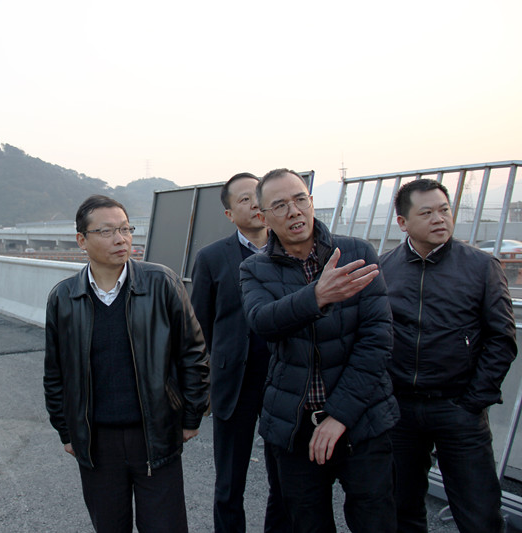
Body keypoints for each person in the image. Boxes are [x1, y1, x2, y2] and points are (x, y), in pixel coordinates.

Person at [239, 168, 399, 533]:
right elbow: (262, 322)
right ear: (263, 217)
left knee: (376, 520)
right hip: (294, 426)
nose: (294, 211)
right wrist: (317, 296)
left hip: (362, 420)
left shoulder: (356, 252)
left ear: (311, 202)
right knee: (306, 522)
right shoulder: (254, 269)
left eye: (300, 199)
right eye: (280, 205)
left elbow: (377, 340)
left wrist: (339, 416)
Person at [43, 194, 210, 532]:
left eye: (125, 229)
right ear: (81, 240)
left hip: (154, 432)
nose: (120, 239)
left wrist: (192, 415)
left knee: (165, 526)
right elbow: (56, 374)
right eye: (106, 231)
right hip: (97, 441)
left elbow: (193, 353)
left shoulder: (161, 283)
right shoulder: (64, 298)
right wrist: (66, 430)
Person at [380, 179, 516, 533]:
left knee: (479, 514)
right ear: (403, 222)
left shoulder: (481, 266)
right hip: (400, 410)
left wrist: (474, 400)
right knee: (400, 509)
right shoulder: (384, 268)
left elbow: (501, 339)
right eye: (427, 213)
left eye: (444, 210)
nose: (439, 219)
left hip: (458, 407)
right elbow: (373, 337)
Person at [190, 172, 288, 532]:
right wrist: (201, 385)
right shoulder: (212, 257)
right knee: (230, 483)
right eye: (244, 199)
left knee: (285, 480)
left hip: (284, 379)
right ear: (230, 214)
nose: (255, 204)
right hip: (234, 381)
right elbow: (198, 327)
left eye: (258, 195)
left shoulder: (290, 250)